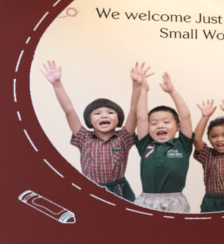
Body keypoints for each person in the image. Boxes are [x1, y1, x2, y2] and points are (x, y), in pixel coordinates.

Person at [42, 59, 149, 200]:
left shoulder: (123, 137)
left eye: (110, 113)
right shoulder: (83, 137)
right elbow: (69, 110)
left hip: (119, 190)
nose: (104, 115)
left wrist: (136, 85)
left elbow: (134, 111)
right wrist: (57, 84)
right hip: (90, 190)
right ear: (90, 120)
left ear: (119, 119)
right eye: (97, 113)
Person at [132, 72, 195, 212]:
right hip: (147, 200)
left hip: (175, 201)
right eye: (154, 123)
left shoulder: (183, 145)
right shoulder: (145, 144)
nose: (160, 126)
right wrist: (144, 91)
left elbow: (185, 116)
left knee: (175, 227)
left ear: (177, 126)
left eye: (166, 122)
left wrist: (172, 91)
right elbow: (141, 118)